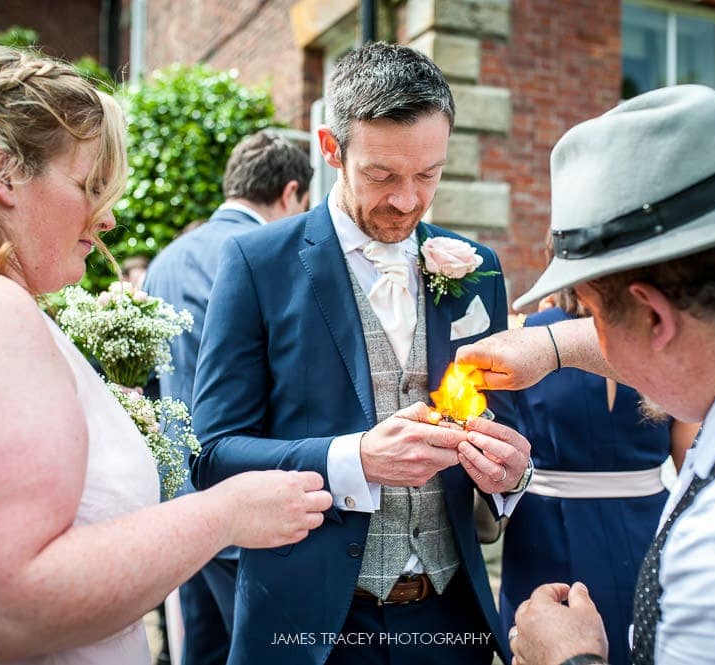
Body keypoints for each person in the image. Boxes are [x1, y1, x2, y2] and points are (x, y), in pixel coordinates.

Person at [0, 43, 332, 665]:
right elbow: (13, 601)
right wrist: (224, 514)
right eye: (89, 184)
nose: (109, 218)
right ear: (4, 174)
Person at [457, 84, 715, 665]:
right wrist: (554, 345)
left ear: (655, 314)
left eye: (596, 315)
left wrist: (572, 663)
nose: (595, 337)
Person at [190, 41, 533, 665]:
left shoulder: (477, 270)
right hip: (309, 621)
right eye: (382, 176)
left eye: (428, 174)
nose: (407, 200)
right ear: (331, 149)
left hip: (450, 619)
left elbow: (505, 423)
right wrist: (355, 460)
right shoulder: (255, 263)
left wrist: (509, 477)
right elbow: (213, 455)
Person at [142, 128, 313, 665]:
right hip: (250, 500)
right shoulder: (271, 258)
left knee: (201, 649)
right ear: (290, 194)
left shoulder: (164, 260)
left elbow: (149, 380)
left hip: (180, 501)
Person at [500, 284, 697, 665]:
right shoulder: (663, 331)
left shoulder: (527, 335)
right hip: (645, 519)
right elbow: (690, 460)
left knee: (547, 640)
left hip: (546, 523)